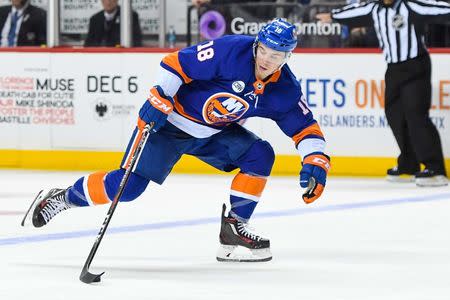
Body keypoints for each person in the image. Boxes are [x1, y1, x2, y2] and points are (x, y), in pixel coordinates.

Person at [22, 19, 330, 262]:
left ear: (287, 56)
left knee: (260, 155)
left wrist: (316, 159)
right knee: (127, 188)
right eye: (263, 49)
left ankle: (233, 229)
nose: (266, 58)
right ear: (257, 44)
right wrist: (159, 97)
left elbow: (304, 127)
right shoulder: (231, 50)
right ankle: (62, 198)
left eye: (275, 55)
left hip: (213, 134)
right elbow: (176, 63)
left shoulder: (284, 88)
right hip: (170, 126)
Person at [317, 0, 449, 187]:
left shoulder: (411, 5)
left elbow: (438, 8)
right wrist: (333, 16)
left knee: (416, 116)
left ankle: (436, 169)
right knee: (394, 114)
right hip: (393, 69)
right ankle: (409, 164)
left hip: (416, 66)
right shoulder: (374, 8)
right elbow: (354, 11)